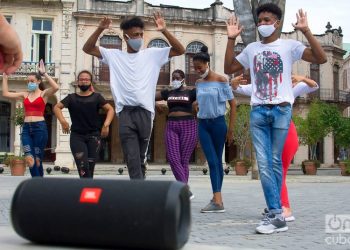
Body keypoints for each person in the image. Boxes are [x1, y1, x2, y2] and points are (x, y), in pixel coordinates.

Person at [224, 3, 327, 234]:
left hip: (281, 110)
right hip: (258, 110)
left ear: (277, 23)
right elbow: (228, 66)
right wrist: (231, 39)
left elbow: (321, 59)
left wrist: (307, 31)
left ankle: (277, 212)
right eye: (260, 21)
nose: (263, 25)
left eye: (267, 21)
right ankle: (276, 213)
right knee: (264, 163)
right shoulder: (251, 48)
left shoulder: (290, 46)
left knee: (274, 162)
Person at [82, 13, 185, 179]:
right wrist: (100, 29)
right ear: (126, 36)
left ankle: (139, 181)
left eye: (141, 34)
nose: (140, 38)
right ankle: (138, 191)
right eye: (136, 35)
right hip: (125, 113)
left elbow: (180, 50)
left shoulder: (152, 54)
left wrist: (164, 30)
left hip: (146, 112)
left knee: (140, 156)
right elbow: (87, 48)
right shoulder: (114, 56)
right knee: (131, 156)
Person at [232, 74, 319, 222]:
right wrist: (233, 83)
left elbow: (314, 85)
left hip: (285, 133)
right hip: (271, 135)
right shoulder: (258, 88)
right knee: (272, 171)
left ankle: (285, 208)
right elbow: (237, 88)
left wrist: (302, 78)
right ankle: (277, 206)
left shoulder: (286, 87)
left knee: (279, 171)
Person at [192, 46, 236, 213]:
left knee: (217, 161)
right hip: (203, 124)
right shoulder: (198, 83)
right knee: (211, 161)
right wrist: (196, 105)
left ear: (207, 64)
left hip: (218, 124)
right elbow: (199, 101)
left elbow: (232, 104)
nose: (197, 70)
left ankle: (217, 200)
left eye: (199, 67)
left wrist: (230, 130)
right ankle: (217, 199)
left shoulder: (221, 80)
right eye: (194, 68)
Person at [2, 59, 59, 177]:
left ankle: (39, 185)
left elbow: (56, 87)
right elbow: (6, 94)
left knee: (37, 160)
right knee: (29, 159)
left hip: (40, 128)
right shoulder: (25, 94)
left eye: (32, 81)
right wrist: (5, 78)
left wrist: (44, 73)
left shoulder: (43, 94)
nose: (29, 83)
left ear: (38, 81)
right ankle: (37, 183)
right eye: (28, 81)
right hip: (27, 128)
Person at [53, 70, 114, 178]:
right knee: (83, 167)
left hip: (94, 136)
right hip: (77, 137)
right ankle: (87, 190)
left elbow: (110, 110)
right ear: (78, 82)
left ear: (90, 82)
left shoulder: (97, 97)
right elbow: (57, 107)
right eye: (81, 79)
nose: (84, 81)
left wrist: (106, 125)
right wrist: (63, 121)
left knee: (90, 168)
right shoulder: (71, 98)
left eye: (86, 79)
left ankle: (88, 191)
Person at [155, 69, 197, 198]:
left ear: (183, 78)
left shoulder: (191, 92)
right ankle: (185, 188)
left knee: (184, 160)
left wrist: (197, 104)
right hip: (171, 125)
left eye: (178, 78)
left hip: (188, 125)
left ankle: (183, 190)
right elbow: (148, 95)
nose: (175, 80)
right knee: (173, 159)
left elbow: (206, 96)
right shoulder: (168, 92)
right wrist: (156, 104)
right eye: (173, 78)